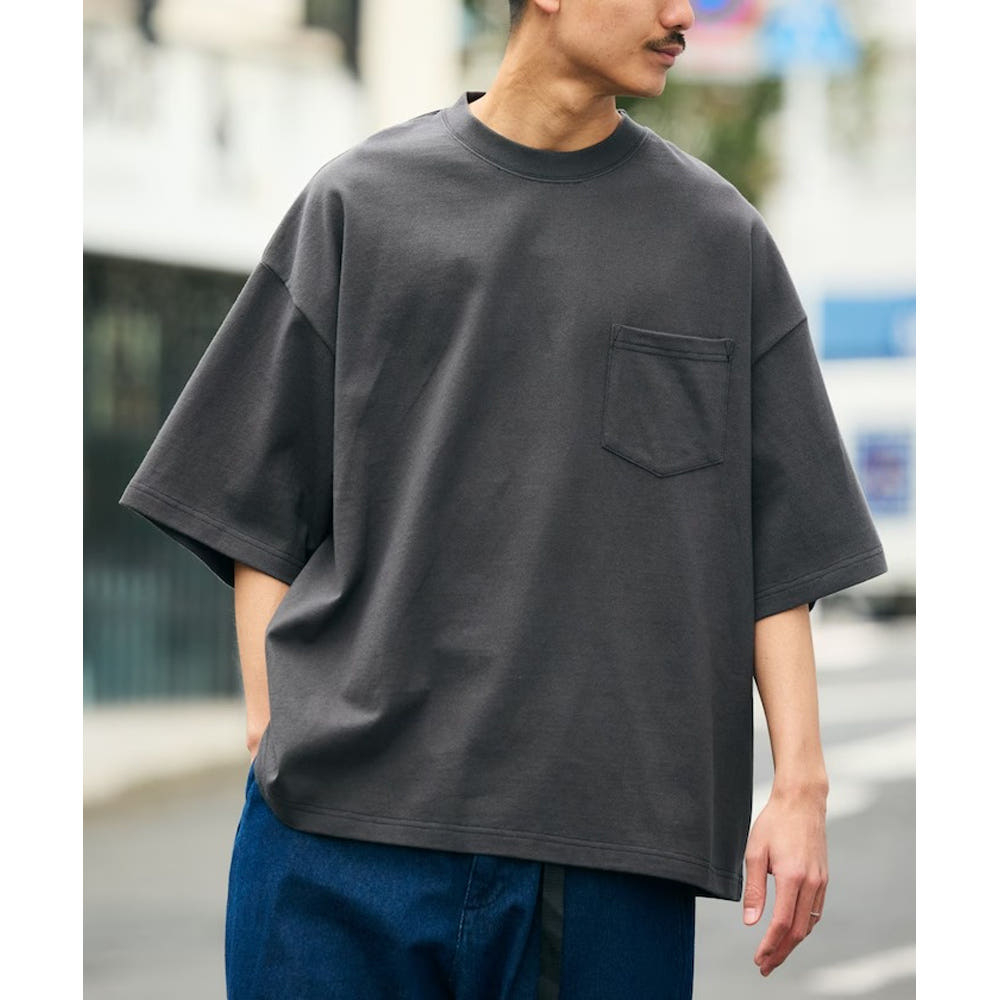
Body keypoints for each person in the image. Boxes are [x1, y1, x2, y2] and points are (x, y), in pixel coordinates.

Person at [119, 1, 888, 996]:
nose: (680, 15)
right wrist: (276, 732)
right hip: (339, 843)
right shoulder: (361, 203)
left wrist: (800, 785)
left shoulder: (715, 240)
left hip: (605, 847)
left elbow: (777, 547)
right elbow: (252, 497)